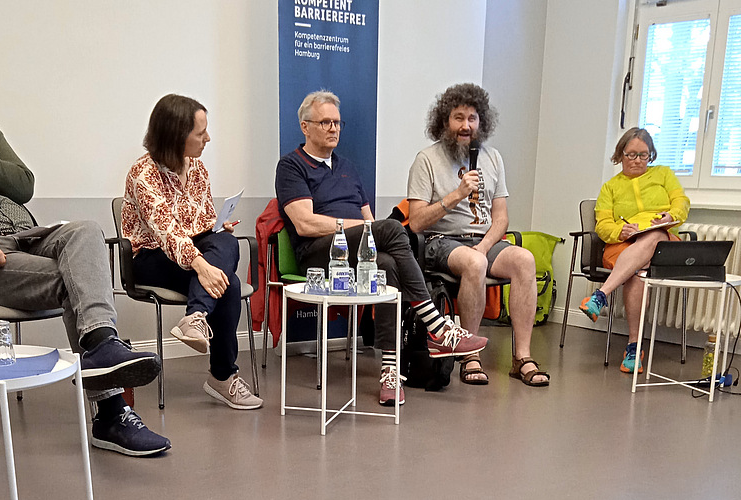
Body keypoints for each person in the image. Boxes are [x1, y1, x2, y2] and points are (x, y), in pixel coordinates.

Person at [0, 47, 170, 456]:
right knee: (73, 282)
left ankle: (100, 345)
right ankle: (111, 410)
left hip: (26, 233)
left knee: (85, 231)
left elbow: (23, 185)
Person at [275, 90, 488, 406]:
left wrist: (369, 235)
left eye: (337, 122)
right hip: (318, 257)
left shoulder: (348, 167)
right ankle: (437, 326)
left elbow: (368, 223)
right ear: (305, 127)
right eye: (325, 123)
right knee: (389, 228)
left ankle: (390, 370)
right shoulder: (291, 166)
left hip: (353, 252)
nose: (333, 129)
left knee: (386, 264)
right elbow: (305, 224)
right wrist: (361, 229)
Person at [123, 94, 262, 410]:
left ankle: (196, 317)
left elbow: (201, 222)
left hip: (191, 253)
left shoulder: (197, 169)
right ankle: (222, 377)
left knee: (225, 243)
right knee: (229, 282)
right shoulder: (143, 173)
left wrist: (217, 229)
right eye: (201, 133)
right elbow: (167, 231)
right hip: (149, 257)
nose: (207, 139)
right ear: (175, 135)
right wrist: (201, 265)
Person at [407, 83, 549, 387]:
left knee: (524, 259)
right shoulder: (427, 159)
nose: (466, 126)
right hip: (440, 241)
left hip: (484, 241)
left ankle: (521, 357)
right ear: (445, 121)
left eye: (472, 118)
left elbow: (502, 218)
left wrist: (484, 246)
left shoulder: (493, 158)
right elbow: (416, 222)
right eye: (459, 118)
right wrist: (456, 195)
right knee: (474, 263)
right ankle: (469, 356)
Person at [579, 127, 690, 373]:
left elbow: (681, 202)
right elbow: (603, 225)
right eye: (631, 155)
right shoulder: (610, 187)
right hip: (623, 246)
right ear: (620, 155)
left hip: (663, 245)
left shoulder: (664, 174)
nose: (638, 160)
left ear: (651, 155)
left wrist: (669, 216)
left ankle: (601, 296)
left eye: (643, 155)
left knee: (655, 235)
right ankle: (634, 347)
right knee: (639, 272)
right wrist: (621, 230)